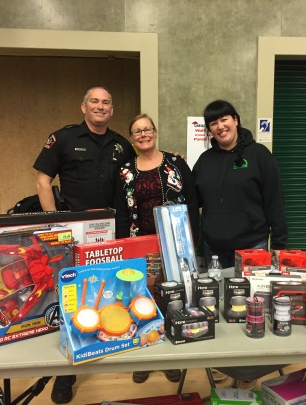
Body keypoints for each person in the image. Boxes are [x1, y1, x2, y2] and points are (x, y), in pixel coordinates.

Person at [33, 85, 136, 404]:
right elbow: (42, 181)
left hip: (114, 233)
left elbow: (138, 177)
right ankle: (66, 374)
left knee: (121, 293)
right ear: (83, 107)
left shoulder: (122, 144)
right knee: (73, 299)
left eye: (106, 102)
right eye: (95, 101)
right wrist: (55, 226)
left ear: (112, 110)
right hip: (74, 235)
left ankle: (136, 357)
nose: (100, 106)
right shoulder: (63, 139)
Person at [193, 99, 288, 388]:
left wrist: (280, 243)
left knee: (253, 308)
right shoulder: (204, 161)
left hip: (253, 248)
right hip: (213, 250)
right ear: (209, 129)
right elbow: (193, 202)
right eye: (213, 122)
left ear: (235, 120)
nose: (220, 126)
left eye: (224, 119)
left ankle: (252, 366)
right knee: (218, 309)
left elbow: (275, 200)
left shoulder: (259, 155)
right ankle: (223, 363)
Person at [114, 113, 198, 384]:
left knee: (172, 295)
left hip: (174, 242)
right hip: (141, 243)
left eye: (147, 129)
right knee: (143, 297)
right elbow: (122, 211)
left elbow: (193, 201)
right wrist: (123, 245)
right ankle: (145, 353)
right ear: (131, 138)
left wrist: (192, 239)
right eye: (137, 131)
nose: (143, 134)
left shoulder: (175, 163)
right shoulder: (125, 170)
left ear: (155, 132)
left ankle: (170, 355)